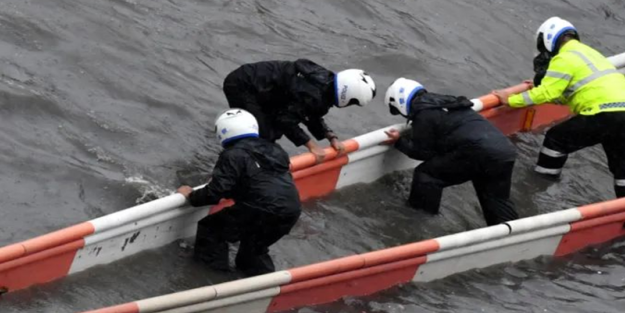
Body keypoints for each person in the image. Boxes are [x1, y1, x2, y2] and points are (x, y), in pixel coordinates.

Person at [493, 17, 625, 198]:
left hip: (605, 113)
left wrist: (510, 100)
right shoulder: (590, 53)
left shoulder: (564, 58)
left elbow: (546, 93)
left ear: (547, 40)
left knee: (556, 139)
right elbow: (578, 91)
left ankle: (541, 185)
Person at [177, 109, 301, 277]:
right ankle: (263, 285)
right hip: (291, 209)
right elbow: (261, 180)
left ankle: (210, 276)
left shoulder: (233, 155)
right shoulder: (275, 150)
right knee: (253, 250)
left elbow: (214, 193)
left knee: (211, 229)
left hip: (261, 208)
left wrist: (191, 196)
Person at [383, 78, 519, 226]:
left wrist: (398, 141)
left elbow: (422, 153)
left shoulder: (424, 113)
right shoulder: (449, 103)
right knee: (496, 199)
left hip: (479, 151)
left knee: (427, 175)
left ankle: (420, 223)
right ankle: (513, 236)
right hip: (503, 150)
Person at [222, 59, 377, 162]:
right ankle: (233, 165)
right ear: (347, 94)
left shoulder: (325, 83)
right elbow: (285, 120)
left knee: (272, 133)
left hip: (261, 89)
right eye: (352, 102)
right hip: (243, 86)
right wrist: (311, 146)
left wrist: (331, 137)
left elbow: (310, 114)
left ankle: (247, 159)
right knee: (262, 136)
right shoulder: (313, 93)